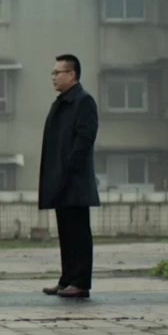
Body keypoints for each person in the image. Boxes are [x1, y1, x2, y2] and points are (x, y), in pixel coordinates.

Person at [38, 54, 100, 299]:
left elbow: (85, 138)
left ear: (72, 74)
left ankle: (81, 282)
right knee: (66, 232)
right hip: (60, 179)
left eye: (58, 72)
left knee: (79, 232)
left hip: (75, 180)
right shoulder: (62, 102)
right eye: (53, 73)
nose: (53, 77)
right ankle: (67, 279)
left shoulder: (83, 101)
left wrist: (68, 168)